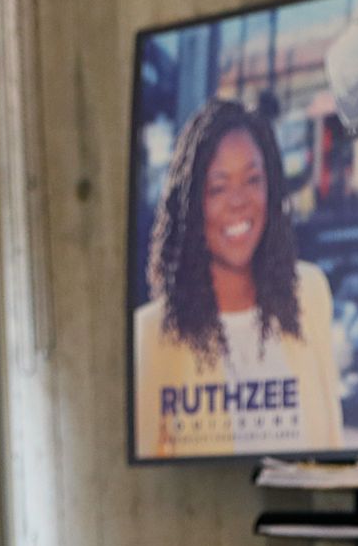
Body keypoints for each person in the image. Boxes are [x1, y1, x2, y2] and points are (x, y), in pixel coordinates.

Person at [134, 98, 343, 460]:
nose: (238, 201)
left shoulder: (309, 294)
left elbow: (333, 447)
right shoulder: (152, 335)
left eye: (252, 180)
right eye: (218, 188)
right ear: (190, 206)